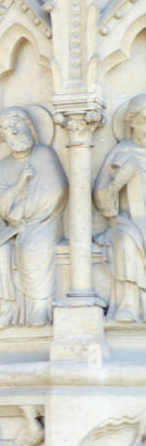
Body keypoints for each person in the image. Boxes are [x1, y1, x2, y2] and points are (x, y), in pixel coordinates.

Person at [0, 108, 67, 327]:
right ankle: (5, 309)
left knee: (32, 247)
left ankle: (39, 307)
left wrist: (20, 210)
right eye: (9, 130)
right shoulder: (4, 165)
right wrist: (19, 185)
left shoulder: (43, 154)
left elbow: (56, 191)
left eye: (19, 124)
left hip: (45, 222)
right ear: (4, 138)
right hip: (16, 226)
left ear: (30, 126)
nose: (16, 132)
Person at [93, 94, 146, 323]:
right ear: (131, 122)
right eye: (144, 120)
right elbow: (100, 196)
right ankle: (129, 304)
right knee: (126, 241)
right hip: (125, 221)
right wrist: (117, 183)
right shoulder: (121, 153)